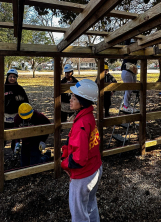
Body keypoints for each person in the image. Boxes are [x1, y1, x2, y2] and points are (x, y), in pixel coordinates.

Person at [61, 79, 102, 222]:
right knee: (90, 205)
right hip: (94, 168)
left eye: (74, 97)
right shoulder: (88, 116)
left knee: (79, 214)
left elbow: (79, 158)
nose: (70, 100)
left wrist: (64, 164)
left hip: (83, 176)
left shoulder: (81, 124)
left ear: (83, 101)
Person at [0, 68, 29, 154]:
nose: (12, 78)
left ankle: (15, 152)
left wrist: (27, 114)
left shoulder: (20, 89)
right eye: (10, 76)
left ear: (16, 78)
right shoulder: (2, 88)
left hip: (16, 116)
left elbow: (26, 102)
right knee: (2, 136)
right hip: (4, 116)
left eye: (14, 77)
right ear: (7, 77)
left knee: (15, 135)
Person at [121, 39, 138, 113]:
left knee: (133, 88)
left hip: (131, 72)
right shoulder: (127, 50)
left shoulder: (136, 52)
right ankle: (126, 106)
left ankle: (127, 105)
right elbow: (126, 44)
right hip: (127, 71)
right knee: (128, 89)